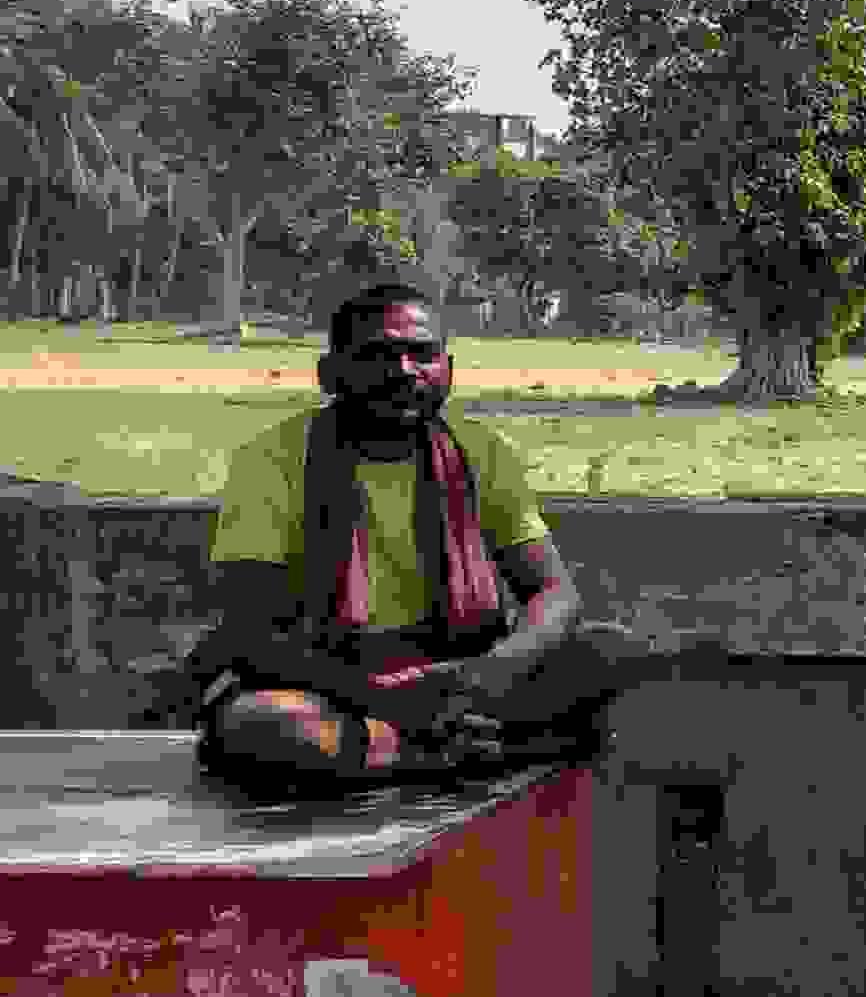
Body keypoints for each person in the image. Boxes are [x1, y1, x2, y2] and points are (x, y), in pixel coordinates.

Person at [188, 283, 642, 791]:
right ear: (329, 374)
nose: (404, 370)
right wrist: (392, 699)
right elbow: (252, 632)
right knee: (268, 725)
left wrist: (496, 671)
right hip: (336, 685)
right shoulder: (272, 460)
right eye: (377, 355)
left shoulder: (481, 451)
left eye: (422, 354)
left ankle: (425, 748)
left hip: (467, 675)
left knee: (619, 659)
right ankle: (447, 753)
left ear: (448, 368)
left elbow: (553, 592)